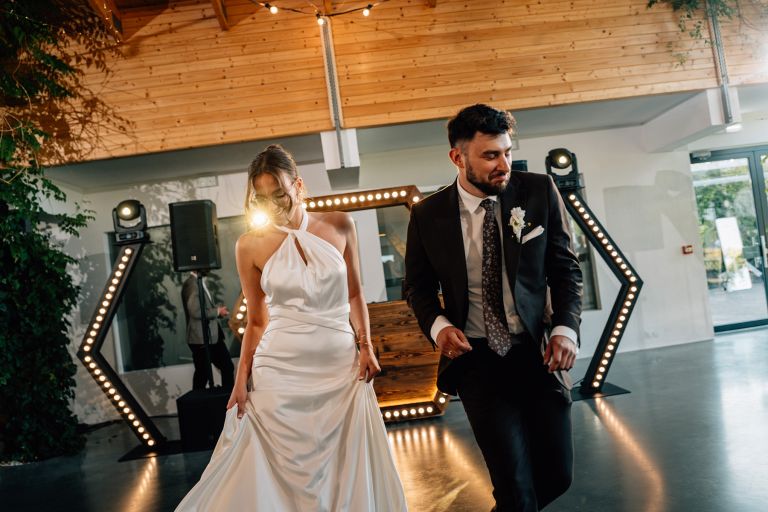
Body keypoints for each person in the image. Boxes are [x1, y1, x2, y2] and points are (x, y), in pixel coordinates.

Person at [176, 145, 407, 511]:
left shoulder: (339, 224)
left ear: (298, 186)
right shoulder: (249, 245)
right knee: (277, 466)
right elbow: (256, 320)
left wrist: (366, 345)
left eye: (279, 193)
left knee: (344, 464)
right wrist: (240, 379)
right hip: (279, 370)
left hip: (339, 368)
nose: (272, 204)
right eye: (262, 197)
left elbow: (355, 293)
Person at [403, 104, 583, 511]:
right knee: (514, 486)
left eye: (506, 152)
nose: (503, 164)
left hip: (538, 354)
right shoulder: (428, 215)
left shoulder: (538, 191)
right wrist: (439, 326)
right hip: (478, 362)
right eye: (490, 156)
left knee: (557, 476)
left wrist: (565, 329)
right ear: (457, 157)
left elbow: (566, 270)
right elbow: (417, 286)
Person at [181, 270, 235, 390]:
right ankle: (200, 400)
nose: (210, 267)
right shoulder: (191, 285)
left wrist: (217, 312)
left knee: (225, 367)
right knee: (203, 373)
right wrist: (217, 311)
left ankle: (227, 398)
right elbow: (195, 311)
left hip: (212, 336)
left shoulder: (197, 282)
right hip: (201, 338)